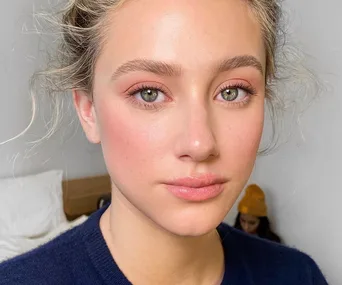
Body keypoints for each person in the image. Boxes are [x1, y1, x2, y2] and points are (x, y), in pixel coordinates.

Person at [0, 0, 329, 284]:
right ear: (89, 111)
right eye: (149, 93)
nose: (200, 144)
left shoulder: (299, 275)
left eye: (232, 92)